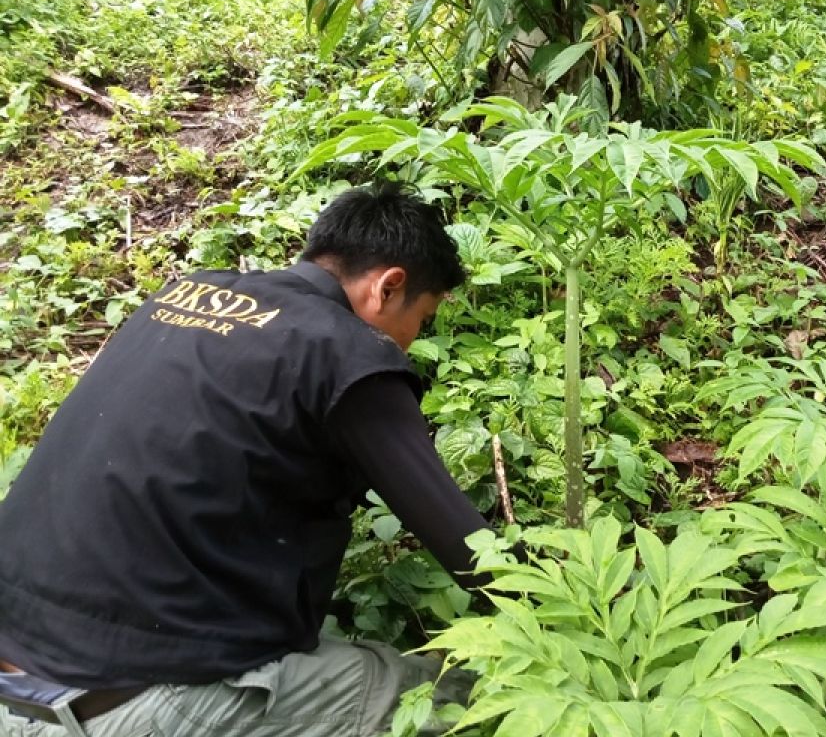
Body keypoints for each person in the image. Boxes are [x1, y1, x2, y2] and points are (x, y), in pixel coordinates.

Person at [0, 183, 492, 737]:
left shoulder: (177, 298)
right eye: (422, 318)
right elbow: (472, 552)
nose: (410, 340)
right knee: (455, 701)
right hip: (121, 703)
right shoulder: (346, 352)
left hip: (16, 677)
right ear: (389, 285)